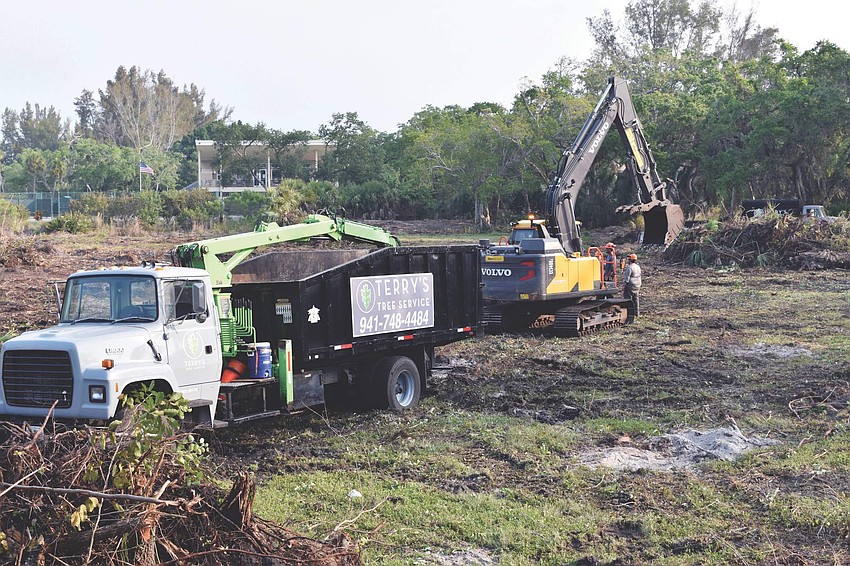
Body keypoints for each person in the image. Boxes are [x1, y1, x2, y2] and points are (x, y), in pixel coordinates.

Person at [622, 253, 642, 317]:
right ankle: (636, 313)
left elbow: (627, 278)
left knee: (628, 299)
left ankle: (629, 314)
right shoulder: (638, 267)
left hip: (631, 285)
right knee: (636, 299)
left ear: (630, 260)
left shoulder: (629, 267)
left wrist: (624, 285)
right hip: (637, 284)